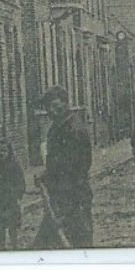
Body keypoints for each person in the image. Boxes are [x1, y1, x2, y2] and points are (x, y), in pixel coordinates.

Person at [35, 86, 93, 248]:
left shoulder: (74, 129)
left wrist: (48, 174)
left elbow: (77, 164)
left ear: (66, 103)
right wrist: (46, 174)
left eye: (55, 106)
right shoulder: (55, 128)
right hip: (59, 194)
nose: (51, 111)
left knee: (79, 241)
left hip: (74, 194)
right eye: (48, 108)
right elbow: (55, 161)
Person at [0, 140, 26, 249]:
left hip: (11, 200)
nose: (1, 153)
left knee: (12, 225)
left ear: (9, 151)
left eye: (4, 150)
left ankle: (14, 245)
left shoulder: (14, 166)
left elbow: (21, 181)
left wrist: (19, 194)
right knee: (0, 226)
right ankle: (2, 246)